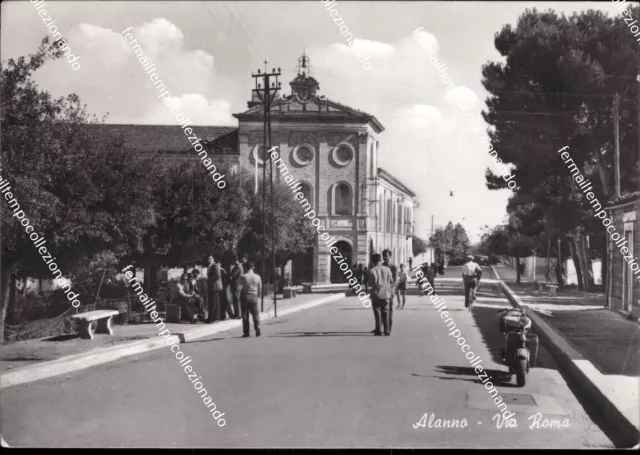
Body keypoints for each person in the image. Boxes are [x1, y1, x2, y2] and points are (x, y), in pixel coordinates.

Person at [367, 253, 393, 336]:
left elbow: (370, 284)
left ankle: (378, 330)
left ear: (373, 261)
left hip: (376, 293)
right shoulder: (387, 269)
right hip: (386, 293)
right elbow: (391, 280)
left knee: (377, 313)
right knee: (386, 312)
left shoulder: (372, 271)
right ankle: (387, 330)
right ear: (380, 260)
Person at [239, 260, 262, 337]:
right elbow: (260, 288)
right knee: (255, 313)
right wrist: (258, 296)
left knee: (245, 315)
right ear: (253, 267)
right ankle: (257, 327)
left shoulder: (243, 276)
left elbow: (239, 287)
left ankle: (246, 332)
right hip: (254, 295)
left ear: (246, 267)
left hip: (245, 295)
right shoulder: (257, 276)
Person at [382, 249, 397, 332]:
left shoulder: (393, 267)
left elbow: (395, 280)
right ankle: (380, 328)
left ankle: (388, 329)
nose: (385, 257)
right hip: (382, 291)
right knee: (381, 310)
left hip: (390, 292)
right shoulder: (381, 266)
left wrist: (389, 288)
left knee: (389, 310)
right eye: (384, 256)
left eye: (386, 256)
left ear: (390, 256)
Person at [206, 255, 222, 323]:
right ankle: (211, 317)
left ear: (213, 259)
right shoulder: (209, 266)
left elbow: (217, 276)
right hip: (211, 286)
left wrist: (208, 279)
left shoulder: (215, 266)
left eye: (210, 259)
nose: (209, 260)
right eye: (208, 259)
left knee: (214, 303)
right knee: (211, 303)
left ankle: (214, 318)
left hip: (214, 287)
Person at [229, 254, 244, 320]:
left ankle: (238, 314)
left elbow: (233, 275)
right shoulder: (239, 266)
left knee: (236, 299)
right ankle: (237, 313)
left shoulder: (237, 267)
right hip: (238, 284)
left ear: (234, 260)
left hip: (236, 285)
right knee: (236, 299)